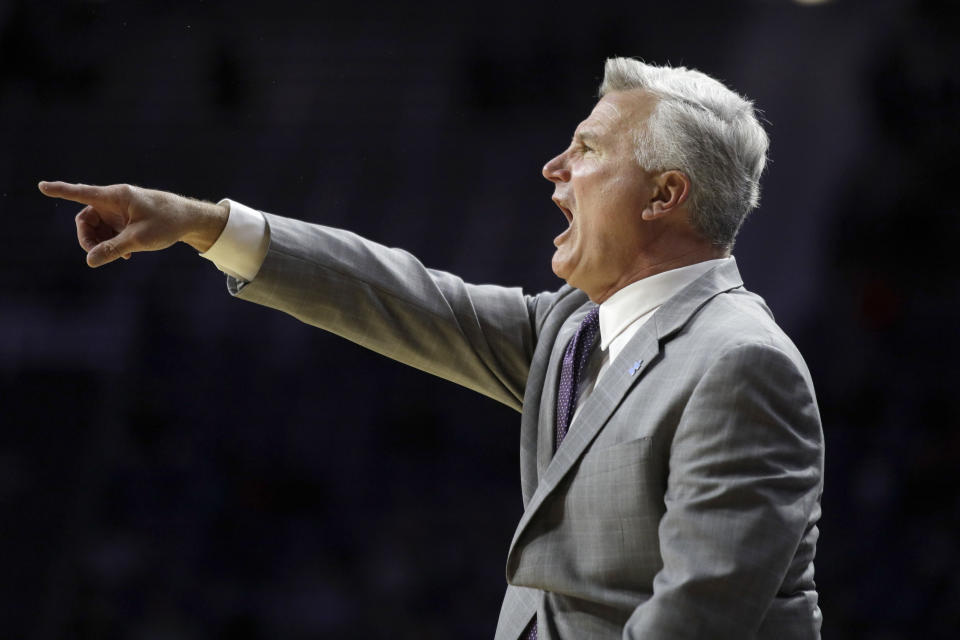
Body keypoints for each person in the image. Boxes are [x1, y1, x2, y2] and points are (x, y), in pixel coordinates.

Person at [39, 57, 824, 639]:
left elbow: (697, 620)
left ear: (665, 194)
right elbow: (402, 297)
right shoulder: (573, 329)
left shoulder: (739, 364)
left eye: (587, 149)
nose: (555, 168)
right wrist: (204, 225)